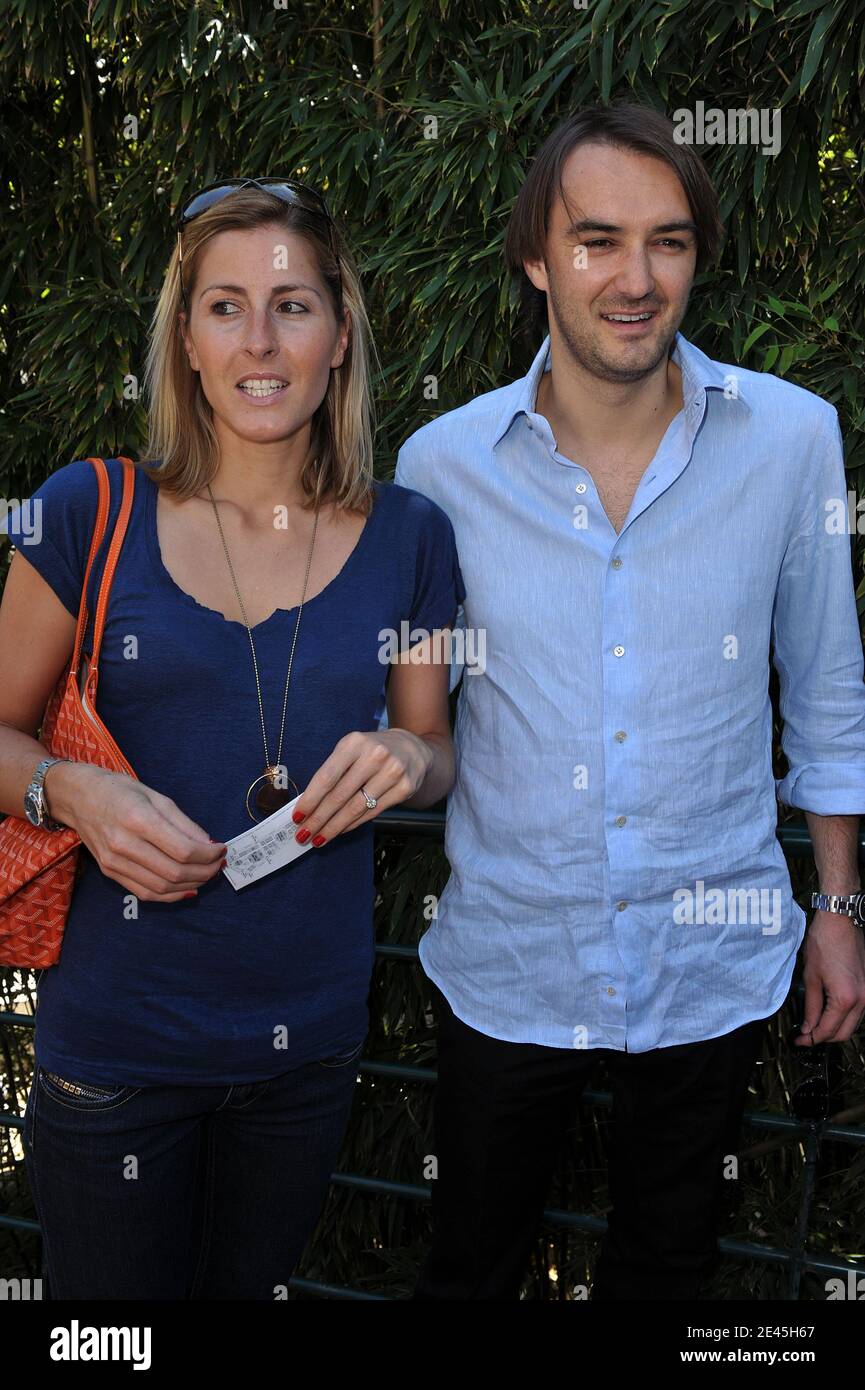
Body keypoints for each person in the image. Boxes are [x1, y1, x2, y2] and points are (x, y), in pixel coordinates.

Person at [393, 102, 865, 1300]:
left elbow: (824, 685)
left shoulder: (792, 441)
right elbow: (414, 722)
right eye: (596, 240)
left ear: (698, 258)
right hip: (508, 958)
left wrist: (839, 903)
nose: (635, 278)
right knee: (470, 1271)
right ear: (536, 260)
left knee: (672, 1268)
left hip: (709, 957)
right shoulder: (439, 469)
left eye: (669, 242)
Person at [0, 178, 465, 1299]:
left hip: (302, 1051)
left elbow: (435, 750)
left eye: (293, 304)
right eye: (224, 306)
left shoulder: (411, 535)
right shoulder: (85, 511)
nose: (260, 340)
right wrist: (71, 791)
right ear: (186, 341)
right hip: (115, 1053)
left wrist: (408, 762)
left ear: (340, 334)